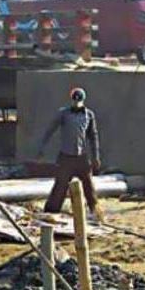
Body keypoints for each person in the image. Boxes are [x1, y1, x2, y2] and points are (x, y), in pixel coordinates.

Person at [37, 87, 101, 221]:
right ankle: (51, 211)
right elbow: (50, 130)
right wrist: (41, 148)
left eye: (79, 101)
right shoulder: (63, 114)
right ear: (71, 100)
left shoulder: (89, 115)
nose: (76, 103)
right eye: (74, 101)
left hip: (82, 156)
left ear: (83, 101)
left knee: (88, 185)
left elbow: (93, 136)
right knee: (60, 185)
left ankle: (94, 211)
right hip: (66, 156)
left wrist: (96, 156)